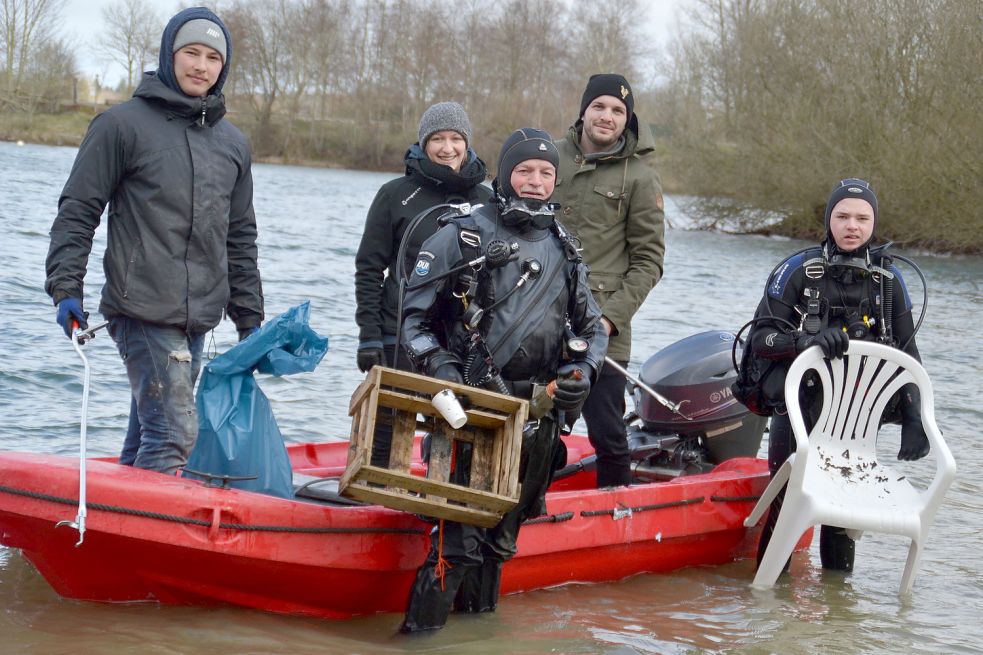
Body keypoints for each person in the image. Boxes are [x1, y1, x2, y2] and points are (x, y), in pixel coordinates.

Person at [398, 128, 608, 633]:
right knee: (458, 546)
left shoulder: (566, 249)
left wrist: (581, 372)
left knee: (497, 546)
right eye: (524, 171)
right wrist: (445, 369)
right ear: (505, 175)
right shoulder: (462, 235)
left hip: (535, 419)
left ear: (555, 181)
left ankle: (476, 636)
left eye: (545, 173)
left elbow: (591, 329)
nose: (535, 181)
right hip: (465, 413)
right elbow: (413, 321)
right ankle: (415, 642)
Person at [44, 7, 264, 476]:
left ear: (222, 68)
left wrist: (250, 318)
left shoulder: (233, 145)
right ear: (169, 54)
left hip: (200, 315)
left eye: (211, 57)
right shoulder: (120, 125)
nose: (200, 66)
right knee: (174, 433)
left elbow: (240, 236)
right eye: (190, 52)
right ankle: (143, 547)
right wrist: (66, 289)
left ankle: (105, 536)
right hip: (140, 307)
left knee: (149, 433)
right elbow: (79, 210)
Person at [744, 178, 929, 573]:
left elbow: (908, 357)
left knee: (843, 513)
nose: (852, 226)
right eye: (842, 216)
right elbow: (760, 339)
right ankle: (766, 612)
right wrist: (803, 341)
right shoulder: (799, 270)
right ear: (829, 220)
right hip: (798, 408)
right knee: (786, 501)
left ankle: (837, 617)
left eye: (862, 218)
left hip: (855, 418)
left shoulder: (889, 282)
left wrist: (914, 420)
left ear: (873, 224)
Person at [354, 101, 492, 466]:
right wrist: (369, 336)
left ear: (468, 143)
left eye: (455, 139)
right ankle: (374, 500)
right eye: (437, 139)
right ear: (423, 143)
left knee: (453, 429)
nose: (447, 148)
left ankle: (440, 502)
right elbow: (369, 269)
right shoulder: (395, 194)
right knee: (387, 429)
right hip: (397, 329)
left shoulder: (487, 200)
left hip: (459, 337)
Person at [551, 73, 666, 488]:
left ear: (627, 119)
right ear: (583, 110)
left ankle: (617, 513)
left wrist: (608, 320)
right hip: (536, 322)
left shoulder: (640, 177)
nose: (607, 116)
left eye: (618, 110)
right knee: (533, 426)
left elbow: (650, 260)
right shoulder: (547, 157)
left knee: (609, 435)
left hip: (603, 331)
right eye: (599, 106)